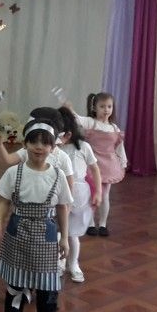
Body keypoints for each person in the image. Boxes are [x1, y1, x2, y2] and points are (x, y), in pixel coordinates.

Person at [0, 119, 72, 312]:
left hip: (47, 237)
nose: (39, 147)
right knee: (14, 289)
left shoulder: (58, 175)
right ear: (25, 144)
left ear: (52, 147)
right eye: (33, 142)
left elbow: (63, 208)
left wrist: (65, 238)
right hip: (18, 235)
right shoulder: (14, 172)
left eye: (45, 143)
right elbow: (4, 201)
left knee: (47, 293)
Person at [65, 93, 127, 236]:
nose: (106, 110)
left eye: (109, 106)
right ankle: (91, 223)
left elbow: (119, 147)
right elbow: (77, 119)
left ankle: (103, 223)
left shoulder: (114, 128)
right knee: (91, 193)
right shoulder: (90, 122)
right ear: (94, 108)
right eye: (102, 106)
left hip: (109, 165)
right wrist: (70, 109)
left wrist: (123, 162)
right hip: (92, 165)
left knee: (105, 195)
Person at [57, 107, 101, 283]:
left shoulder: (84, 147)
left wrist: (98, 191)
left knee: (73, 234)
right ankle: (59, 262)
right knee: (58, 231)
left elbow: (95, 169)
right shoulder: (54, 148)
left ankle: (73, 264)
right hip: (58, 193)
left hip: (79, 195)